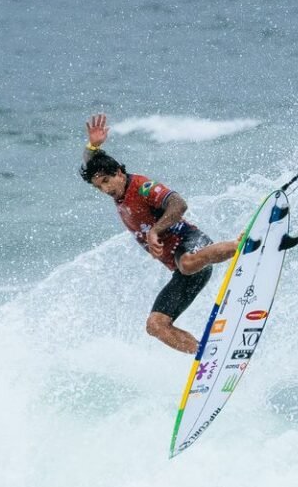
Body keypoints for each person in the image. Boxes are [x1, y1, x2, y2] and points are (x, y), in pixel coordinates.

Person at [77, 113, 239, 354]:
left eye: (107, 181)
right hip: (182, 270)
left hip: (191, 244)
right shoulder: (118, 192)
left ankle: (244, 243)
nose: (105, 189)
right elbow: (95, 167)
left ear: (119, 173)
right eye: (99, 186)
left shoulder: (142, 187)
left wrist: (156, 230)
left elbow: (179, 204)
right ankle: (206, 357)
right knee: (155, 325)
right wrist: (92, 147)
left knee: (188, 262)